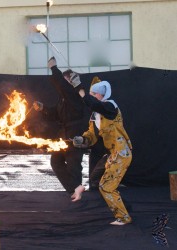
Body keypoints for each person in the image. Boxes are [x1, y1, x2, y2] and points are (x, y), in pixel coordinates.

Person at [73, 80, 133, 225]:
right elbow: (92, 136)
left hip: (121, 153)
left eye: (93, 94)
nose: (91, 96)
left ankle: (124, 217)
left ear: (101, 95)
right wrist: (82, 139)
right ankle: (124, 206)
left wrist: (78, 87)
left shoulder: (110, 107)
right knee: (95, 179)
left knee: (105, 186)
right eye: (91, 94)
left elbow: (95, 104)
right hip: (111, 154)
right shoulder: (95, 116)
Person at [33, 57, 88, 202]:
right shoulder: (63, 99)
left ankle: (77, 190)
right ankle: (74, 188)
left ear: (70, 83)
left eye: (65, 82)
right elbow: (55, 115)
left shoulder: (75, 97)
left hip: (75, 134)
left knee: (73, 163)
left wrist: (53, 68)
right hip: (63, 134)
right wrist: (43, 108)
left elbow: (62, 85)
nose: (61, 86)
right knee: (56, 161)